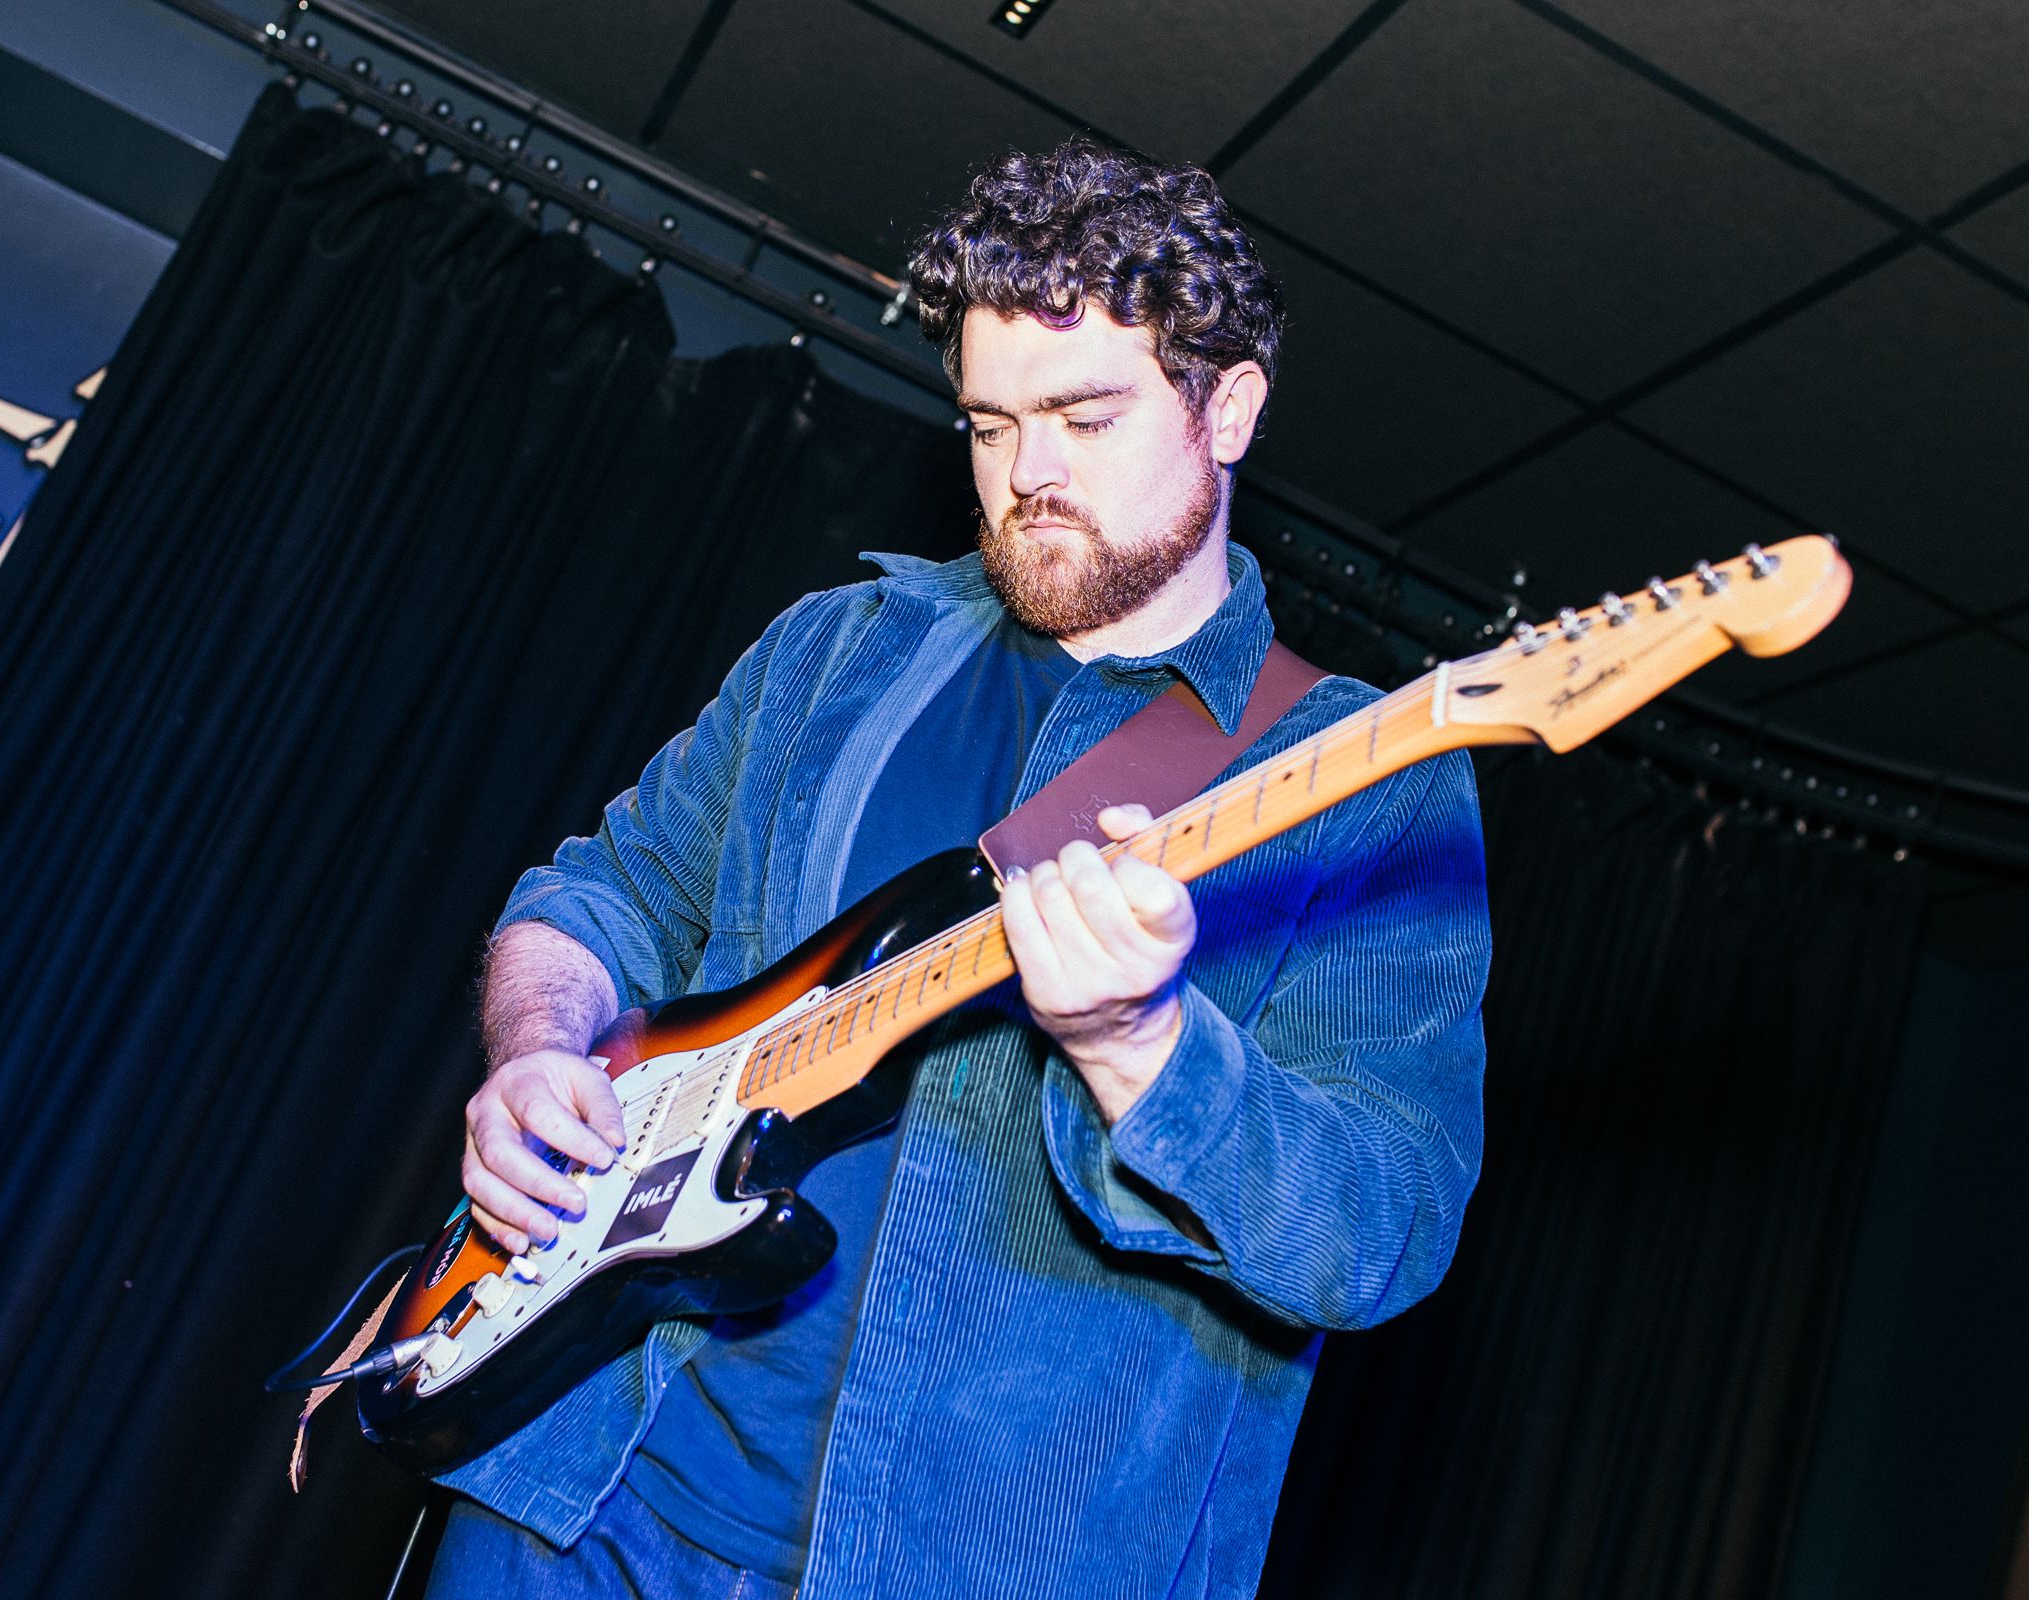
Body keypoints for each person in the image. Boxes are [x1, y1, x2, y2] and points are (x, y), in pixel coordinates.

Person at [424, 138, 1491, 1600]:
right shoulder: (838, 652)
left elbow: (1378, 1227)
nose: (1026, 476)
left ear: (1227, 406)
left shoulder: (1369, 776)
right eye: (989, 425)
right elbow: (598, 893)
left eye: (1084, 416)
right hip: (575, 1499)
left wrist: (1141, 1046)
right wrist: (536, 1054)